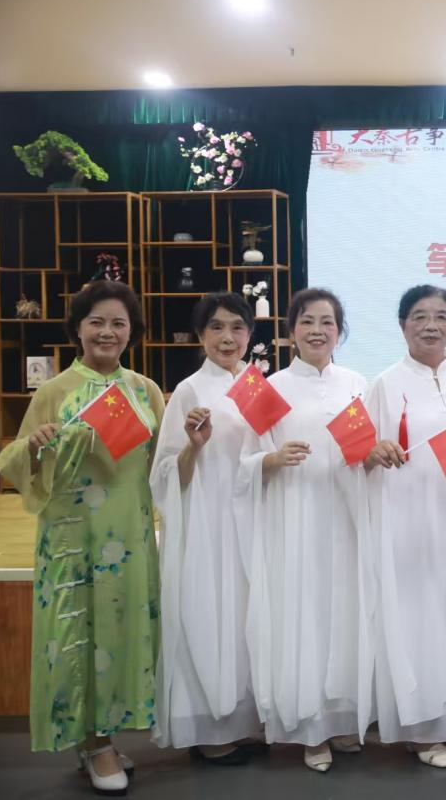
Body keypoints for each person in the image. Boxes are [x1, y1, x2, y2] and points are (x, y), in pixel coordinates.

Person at [0, 281, 164, 796]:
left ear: (132, 332)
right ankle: (95, 743)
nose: (107, 332)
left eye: (118, 323)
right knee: (80, 632)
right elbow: (11, 461)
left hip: (129, 535)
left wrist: (195, 445)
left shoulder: (146, 390)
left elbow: (162, 463)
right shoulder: (54, 391)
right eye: (96, 322)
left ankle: (100, 736)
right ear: (77, 329)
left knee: (117, 632)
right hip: (73, 539)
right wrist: (34, 445)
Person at [235, 288, 372, 773]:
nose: (317, 331)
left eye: (327, 322)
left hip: (346, 515)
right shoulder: (269, 389)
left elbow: (366, 449)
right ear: (291, 330)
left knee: (344, 613)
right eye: (307, 321)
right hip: (294, 517)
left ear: (340, 331)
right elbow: (244, 463)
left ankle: (341, 717)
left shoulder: (357, 384)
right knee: (303, 615)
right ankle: (310, 727)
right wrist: (271, 459)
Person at [363, 285, 446, 768]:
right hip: (408, 517)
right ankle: (421, 727)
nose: (431, 326)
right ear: (402, 325)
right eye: (419, 316)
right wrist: (374, 452)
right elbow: (361, 452)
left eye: (441, 316)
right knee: (416, 618)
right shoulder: (384, 384)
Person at [151, 292, 261, 764]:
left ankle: (244, 721)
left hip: (251, 520)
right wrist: (194, 446)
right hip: (208, 522)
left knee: (245, 619)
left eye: (237, 327)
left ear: (250, 334)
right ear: (200, 336)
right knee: (208, 615)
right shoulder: (190, 390)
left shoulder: (257, 385)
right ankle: (209, 730)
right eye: (216, 327)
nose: (227, 337)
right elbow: (164, 475)